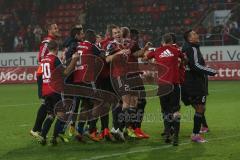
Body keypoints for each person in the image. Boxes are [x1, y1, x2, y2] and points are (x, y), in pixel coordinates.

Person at [143, 33, 184, 146]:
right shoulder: (176, 50)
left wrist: (151, 63)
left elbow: (145, 57)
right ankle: (175, 137)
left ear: (162, 42)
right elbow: (184, 58)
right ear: (171, 42)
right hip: (174, 85)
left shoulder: (157, 51)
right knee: (175, 111)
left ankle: (167, 134)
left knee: (165, 110)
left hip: (162, 86)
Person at [39, 40, 79, 145]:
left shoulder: (44, 60)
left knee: (51, 115)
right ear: (56, 48)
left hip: (46, 91)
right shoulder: (54, 59)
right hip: (55, 90)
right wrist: (74, 60)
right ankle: (54, 138)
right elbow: (65, 73)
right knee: (62, 115)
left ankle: (42, 137)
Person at [181, 29, 217, 143]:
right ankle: (195, 134)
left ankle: (201, 128)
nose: (197, 35)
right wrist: (211, 71)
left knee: (199, 108)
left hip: (188, 83)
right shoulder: (192, 48)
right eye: (194, 34)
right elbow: (196, 65)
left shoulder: (187, 48)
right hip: (194, 84)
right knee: (200, 108)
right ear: (189, 38)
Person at [30, 22, 60, 139]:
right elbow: (41, 58)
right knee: (45, 103)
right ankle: (36, 129)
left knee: (48, 103)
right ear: (49, 30)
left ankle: (39, 129)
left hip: (47, 75)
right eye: (55, 28)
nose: (58, 29)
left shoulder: (52, 42)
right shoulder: (47, 42)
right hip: (43, 75)